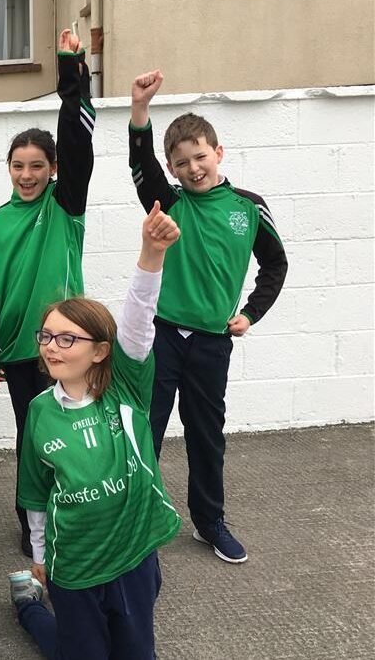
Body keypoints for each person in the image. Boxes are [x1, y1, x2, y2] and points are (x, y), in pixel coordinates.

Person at [9, 203, 183, 660]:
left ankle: (32, 607)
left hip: (132, 558)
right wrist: (40, 556)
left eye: (67, 339)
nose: (52, 347)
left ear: (101, 351)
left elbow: (139, 318)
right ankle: (29, 606)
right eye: (46, 336)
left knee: (135, 651)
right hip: (74, 568)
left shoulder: (126, 387)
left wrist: (152, 253)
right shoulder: (40, 411)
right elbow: (36, 492)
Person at [128, 70, 288, 563]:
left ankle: (209, 521)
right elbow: (140, 162)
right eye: (181, 162)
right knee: (146, 429)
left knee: (205, 434)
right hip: (161, 336)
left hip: (213, 342)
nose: (193, 168)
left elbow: (275, 264)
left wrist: (251, 314)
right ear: (171, 169)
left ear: (218, 152)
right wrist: (140, 110)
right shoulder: (169, 201)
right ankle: (137, 520)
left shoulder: (249, 208)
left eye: (200, 157)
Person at [0, 28, 96, 557]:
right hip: (20, 353)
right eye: (18, 166)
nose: (27, 175)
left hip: (66, 345)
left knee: (76, 436)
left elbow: (79, 141)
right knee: (32, 439)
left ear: (54, 170)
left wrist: (71, 71)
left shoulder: (65, 205)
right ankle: (33, 525)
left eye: (37, 166)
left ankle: (78, 516)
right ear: (9, 169)